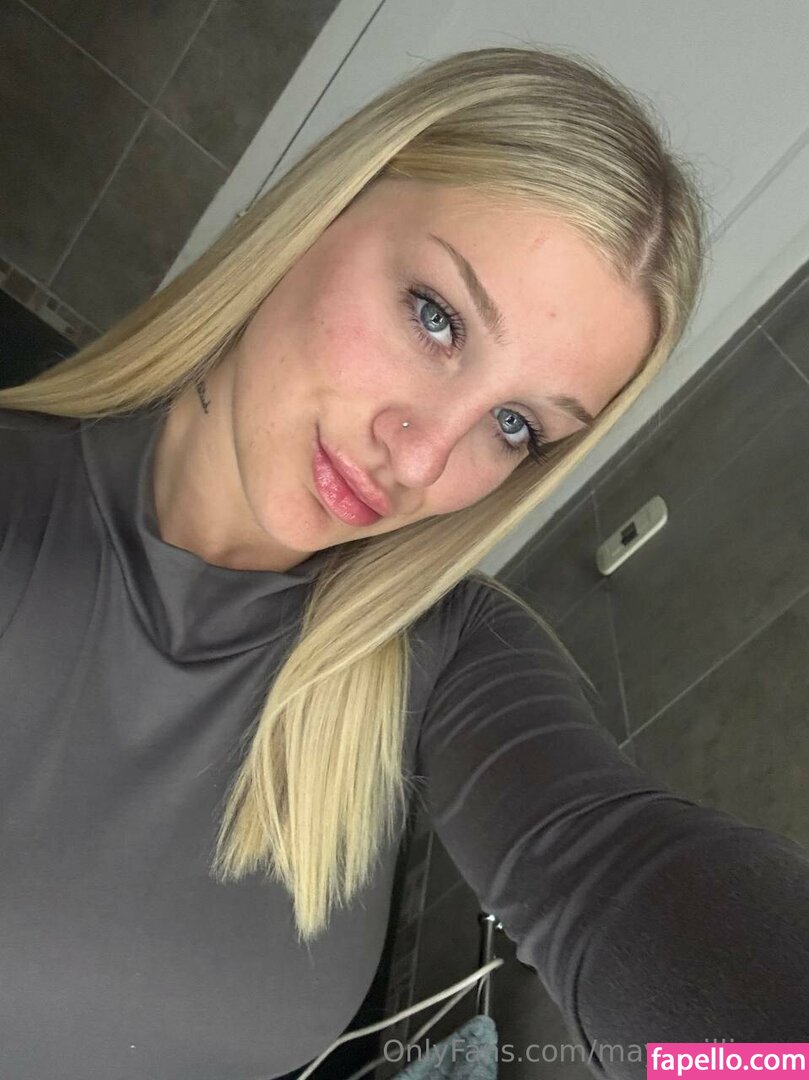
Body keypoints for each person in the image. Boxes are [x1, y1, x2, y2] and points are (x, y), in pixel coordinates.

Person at [0, 45, 807, 1080]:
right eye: (436, 319)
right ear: (320, 210)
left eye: (514, 425)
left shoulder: (445, 654)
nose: (421, 460)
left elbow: (607, 870)